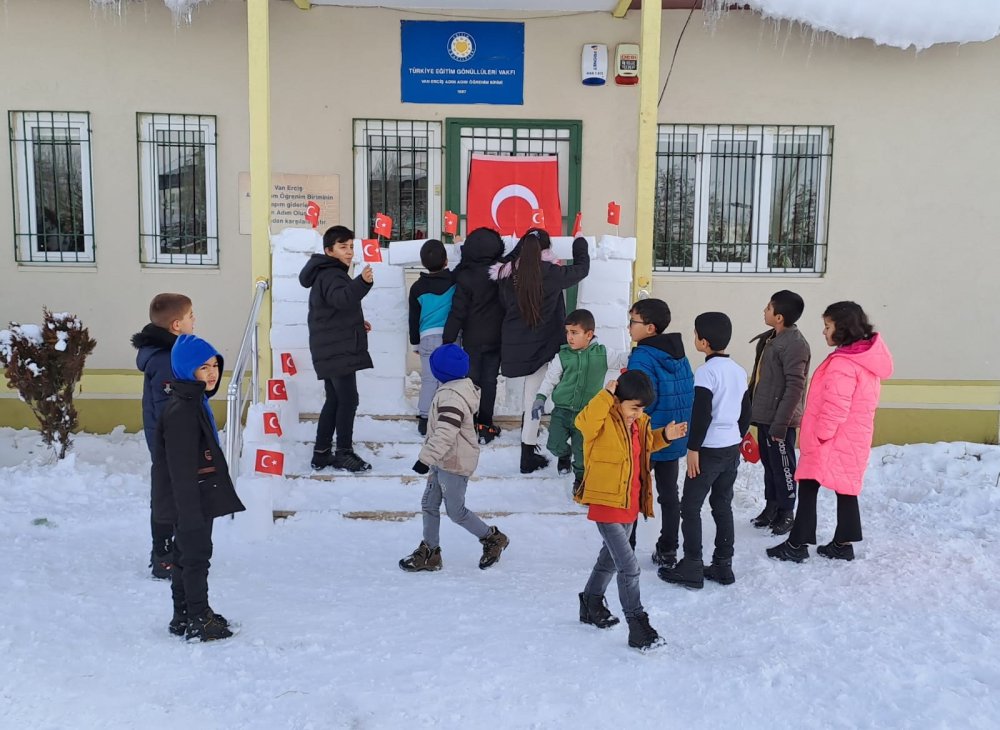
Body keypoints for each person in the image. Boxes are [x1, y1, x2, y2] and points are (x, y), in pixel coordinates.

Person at [767, 302, 893, 563]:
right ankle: (842, 543)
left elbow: (836, 406)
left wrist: (821, 435)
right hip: (852, 437)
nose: (823, 332)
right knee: (846, 488)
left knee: (810, 484)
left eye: (827, 326)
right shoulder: (864, 358)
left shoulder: (844, 364)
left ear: (843, 329)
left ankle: (797, 544)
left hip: (831, 438)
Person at [574, 370, 687, 651]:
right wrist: (606, 394)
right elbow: (583, 423)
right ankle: (637, 625)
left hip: (630, 502)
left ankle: (591, 602)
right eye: (633, 407)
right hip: (607, 503)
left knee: (610, 560)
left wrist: (665, 435)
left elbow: (646, 447)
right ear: (617, 400)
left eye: (642, 408)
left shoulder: (640, 424)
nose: (637, 413)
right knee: (629, 566)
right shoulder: (601, 421)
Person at [151, 334, 245, 641]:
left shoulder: (194, 402)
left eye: (215, 365)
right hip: (191, 498)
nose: (212, 373)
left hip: (198, 493)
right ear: (186, 369)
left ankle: (184, 615)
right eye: (203, 367)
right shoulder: (183, 411)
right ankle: (198, 617)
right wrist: (189, 512)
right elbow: (179, 470)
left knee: (186, 555)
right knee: (195, 556)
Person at [399, 344, 510, 572]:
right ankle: (430, 552)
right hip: (444, 460)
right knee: (429, 504)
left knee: (456, 511)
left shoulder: (452, 396)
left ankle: (492, 538)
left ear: (439, 371)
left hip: (454, 462)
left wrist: (425, 458)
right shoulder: (453, 389)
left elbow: (446, 431)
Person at [659, 313, 750, 590]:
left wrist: (693, 448)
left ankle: (692, 565)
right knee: (722, 504)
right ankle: (724, 565)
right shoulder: (738, 370)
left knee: (690, 506)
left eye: (696, 334)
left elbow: (701, 414)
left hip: (708, 448)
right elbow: (746, 411)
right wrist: (737, 437)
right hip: (730, 446)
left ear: (704, 341)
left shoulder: (706, 372)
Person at [493, 229, 590, 473]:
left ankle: (527, 454)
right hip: (548, 344)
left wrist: (522, 248)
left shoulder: (507, 274)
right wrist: (579, 242)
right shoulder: (552, 273)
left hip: (519, 344)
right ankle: (564, 453)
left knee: (532, 399)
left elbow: (507, 265)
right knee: (564, 399)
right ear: (546, 250)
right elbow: (581, 269)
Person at [130, 292, 196, 579]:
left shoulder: (173, 353)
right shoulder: (166, 360)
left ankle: (173, 550)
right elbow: (169, 408)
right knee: (167, 497)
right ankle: (164, 554)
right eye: (191, 315)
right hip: (169, 442)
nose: (196, 320)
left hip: (172, 440)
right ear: (177, 325)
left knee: (175, 495)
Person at [625, 297, 694, 567]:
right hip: (673, 435)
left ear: (650, 328)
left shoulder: (642, 356)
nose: (629, 327)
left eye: (633, 321)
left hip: (647, 438)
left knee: (630, 490)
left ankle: (625, 548)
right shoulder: (679, 354)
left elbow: (637, 399)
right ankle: (668, 549)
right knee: (668, 494)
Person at [299, 225, 374, 473]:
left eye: (351, 246)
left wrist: (355, 321)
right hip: (337, 349)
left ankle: (321, 454)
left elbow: (333, 309)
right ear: (329, 250)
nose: (349, 252)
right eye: (343, 247)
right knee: (348, 399)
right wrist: (362, 282)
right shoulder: (332, 274)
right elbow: (342, 299)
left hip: (331, 346)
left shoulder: (327, 273)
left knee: (335, 399)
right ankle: (343, 452)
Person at [531, 308, 628, 493]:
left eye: (574, 333)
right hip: (562, 411)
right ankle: (564, 455)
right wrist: (540, 398)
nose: (569, 337)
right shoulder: (563, 356)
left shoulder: (603, 353)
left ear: (589, 334)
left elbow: (622, 359)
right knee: (554, 444)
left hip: (587, 414)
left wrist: (638, 354)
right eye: (567, 332)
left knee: (582, 451)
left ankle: (580, 480)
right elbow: (550, 378)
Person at [747, 290, 811, 536]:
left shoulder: (795, 344)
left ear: (780, 317)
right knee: (769, 464)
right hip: (765, 414)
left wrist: (781, 423)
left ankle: (787, 511)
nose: (764, 311)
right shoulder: (772, 338)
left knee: (784, 466)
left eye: (768, 308)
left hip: (780, 419)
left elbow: (795, 386)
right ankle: (771, 506)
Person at [443, 227, 506, 445]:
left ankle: (468, 422)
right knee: (490, 381)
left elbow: (458, 310)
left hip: (472, 338)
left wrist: (448, 338)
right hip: (497, 338)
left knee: (471, 381)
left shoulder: (465, 275)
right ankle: (486, 425)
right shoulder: (501, 272)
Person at [408, 239, 456, 436]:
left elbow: (413, 318)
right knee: (450, 380)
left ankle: (425, 417)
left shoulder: (417, 288)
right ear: (446, 261)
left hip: (427, 338)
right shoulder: (455, 282)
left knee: (429, 379)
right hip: (451, 337)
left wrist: (415, 342)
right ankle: (447, 415)